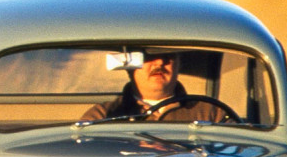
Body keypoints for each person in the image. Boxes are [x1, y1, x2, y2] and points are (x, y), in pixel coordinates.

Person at [81, 52, 231, 123]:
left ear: (179, 64)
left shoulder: (212, 113)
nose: (159, 63)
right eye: (148, 56)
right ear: (130, 66)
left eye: (168, 56)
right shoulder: (103, 116)